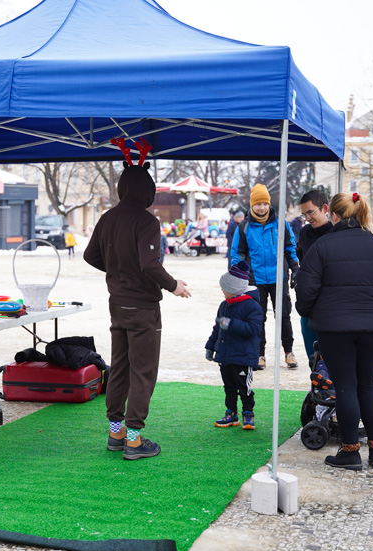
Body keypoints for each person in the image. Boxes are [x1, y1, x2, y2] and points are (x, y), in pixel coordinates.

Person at [84, 154, 191, 461]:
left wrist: (117, 270)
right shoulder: (147, 221)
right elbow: (149, 264)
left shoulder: (107, 218)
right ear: (148, 190)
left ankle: (116, 433)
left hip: (117, 305)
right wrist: (174, 285)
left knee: (120, 367)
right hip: (143, 308)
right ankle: (133, 439)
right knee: (143, 372)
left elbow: (90, 256)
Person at [295, 192, 373, 471]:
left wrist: (309, 310)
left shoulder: (323, 245)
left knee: (345, 387)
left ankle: (350, 452)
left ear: (333, 215)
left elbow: (306, 291)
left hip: (334, 326)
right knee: (367, 385)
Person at [230, 183, 300, 370]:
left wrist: (295, 268)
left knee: (283, 315)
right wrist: (239, 275)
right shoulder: (244, 226)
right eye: (258, 204)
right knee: (257, 318)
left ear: (269, 204)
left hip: (279, 278)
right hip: (254, 280)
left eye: (264, 204)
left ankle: (289, 351)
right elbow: (238, 253)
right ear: (251, 206)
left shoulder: (281, 224)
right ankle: (258, 354)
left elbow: (290, 248)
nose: (262, 207)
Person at [204, 261, 264, 430]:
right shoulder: (224, 305)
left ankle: (248, 413)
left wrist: (230, 323)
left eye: (224, 288)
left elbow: (253, 330)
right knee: (229, 386)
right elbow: (217, 328)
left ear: (235, 288)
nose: (222, 291)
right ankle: (231, 413)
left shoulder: (252, 306)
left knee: (244, 387)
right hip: (225, 356)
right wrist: (210, 346)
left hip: (243, 357)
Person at [296, 189, 333, 361]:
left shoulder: (337, 231)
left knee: (330, 350)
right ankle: (316, 384)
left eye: (311, 212)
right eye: (304, 215)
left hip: (331, 300)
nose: (308, 218)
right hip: (309, 299)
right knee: (312, 349)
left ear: (325, 208)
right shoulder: (304, 233)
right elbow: (302, 263)